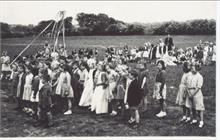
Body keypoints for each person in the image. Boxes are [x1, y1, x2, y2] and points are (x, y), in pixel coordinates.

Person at [185, 62, 205, 128]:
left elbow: (198, 87)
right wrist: (188, 92)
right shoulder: (189, 75)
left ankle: (201, 121)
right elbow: (187, 84)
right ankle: (194, 119)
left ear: (197, 68)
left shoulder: (199, 76)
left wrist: (192, 94)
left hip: (196, 93)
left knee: (199, 108)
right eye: (191, 66)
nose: (191, 68)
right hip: (189, 92)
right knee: (192, 107)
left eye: (193, 67)